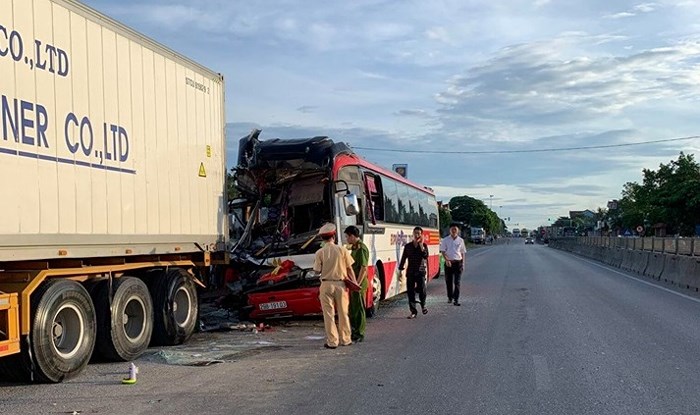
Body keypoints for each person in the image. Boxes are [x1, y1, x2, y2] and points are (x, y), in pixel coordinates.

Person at [313, 223, 356, 349]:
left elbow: (316, 271)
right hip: (340, 285)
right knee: (343, 313)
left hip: (326, 285)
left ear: (322, 238)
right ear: (334, 236)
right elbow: (349, 269)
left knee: (328, 315)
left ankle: (332, 342)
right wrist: (355, 284)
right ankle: (346, 339)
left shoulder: (319, 252)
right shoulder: (342, 250)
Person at [344, 225, 369, 342]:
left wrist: (357, 284)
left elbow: (363, 268)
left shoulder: (361, 248)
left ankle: (360, 333)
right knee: (353, 309)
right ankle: (354, 332)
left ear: (353, 236)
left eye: (347, 236)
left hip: (359, 283)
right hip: (354, 282)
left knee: (359, 309)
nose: (346, 239)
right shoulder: (354, 248)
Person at [398, 226, 429, 318]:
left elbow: (425, 256)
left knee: (422, 290)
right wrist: (400, 270)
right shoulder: (408, 246)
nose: (416, 235)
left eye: (418, 233)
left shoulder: (424, 246)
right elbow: (403, 258)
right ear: (413, 234)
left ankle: (423, 305)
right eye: (415, 233)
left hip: (420, 271)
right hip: (411, 271)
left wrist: (421, 245)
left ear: (421, 235)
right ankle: (413, 311)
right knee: (410, 292)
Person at [440, 223, 466, 306]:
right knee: (449, 281)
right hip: (449, 263)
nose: (454, 231)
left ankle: (456, 299)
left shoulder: (461, 240)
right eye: (452, 229)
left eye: (455, 229)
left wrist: (463, 264)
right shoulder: (445, 240)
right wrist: (446, 260)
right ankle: (450, 297)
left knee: (457, 282)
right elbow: (443, 251)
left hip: (458, 263)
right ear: (450, 230)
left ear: (458, 231)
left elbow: (462, 253)